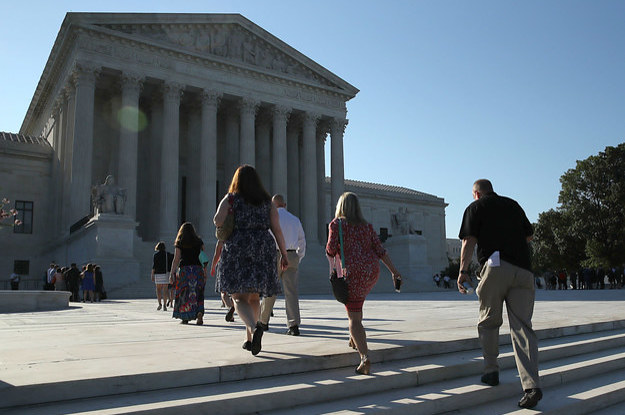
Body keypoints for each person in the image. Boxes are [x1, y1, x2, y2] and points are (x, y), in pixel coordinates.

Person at [457, 179, 541, 409]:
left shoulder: (475, 208)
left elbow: (468, 241)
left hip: (495, 266)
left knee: (489, 322)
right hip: (523, 270)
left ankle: (491, 371)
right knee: (523, 327)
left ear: (476, 194)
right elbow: (529, 236)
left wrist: (463, 271)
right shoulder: (513, 205)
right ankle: (532, 385)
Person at [214, 165, 288, 356]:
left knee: (238, 297)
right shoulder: (266, 202)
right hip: (263, 246)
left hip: (238, 246)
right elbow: (277, 229)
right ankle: (249, 340)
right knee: (254, 297)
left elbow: (217, 220)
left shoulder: (231, 199)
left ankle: (255, 330)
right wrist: (284, 254)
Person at [326, 192, 402, 375]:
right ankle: (354, 339)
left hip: (351, 272)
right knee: (356, 304)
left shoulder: (336, 224)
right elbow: (380, 250)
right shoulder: (367, 226)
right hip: (370, 271)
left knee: (354, 319)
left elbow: (330, 248)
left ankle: (364, 357)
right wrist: (394, 271)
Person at [259, 194, 306, 335]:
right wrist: (298, 256)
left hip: (274, 255)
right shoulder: (295, 219)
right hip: (291, 255)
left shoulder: (269, 219)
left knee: (270, 290)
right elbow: (302, 240)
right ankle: (293, 325)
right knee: (291, 292)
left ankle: (263, 322)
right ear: (284, 205)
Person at [170, 222, 207, 325]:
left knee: (184, 294)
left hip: (185, 271)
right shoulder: (199, 242)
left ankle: (185, 317)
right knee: (198, 293)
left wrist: (172, 273)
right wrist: (205, 272)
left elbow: (176, 259)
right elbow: (203, 258)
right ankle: (199, 312)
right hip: (197, 270)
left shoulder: (180, 242)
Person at [210, 241, 236, 322]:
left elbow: (216, 255)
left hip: (223, 266)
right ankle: (233, 307)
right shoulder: (234, 238)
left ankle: (229, 308)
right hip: (233, 266)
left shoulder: (221, 240)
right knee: (233, 293)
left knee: (223, 291)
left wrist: (213, 267)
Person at [152, 241, 172, 311]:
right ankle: (164, 305)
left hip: (158, 274)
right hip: (165, 274)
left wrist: (152, 275)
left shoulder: (156, 255)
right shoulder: (167, 254)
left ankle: (159, 303)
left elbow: (154, 266)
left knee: (158, 289)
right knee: (165, 290)